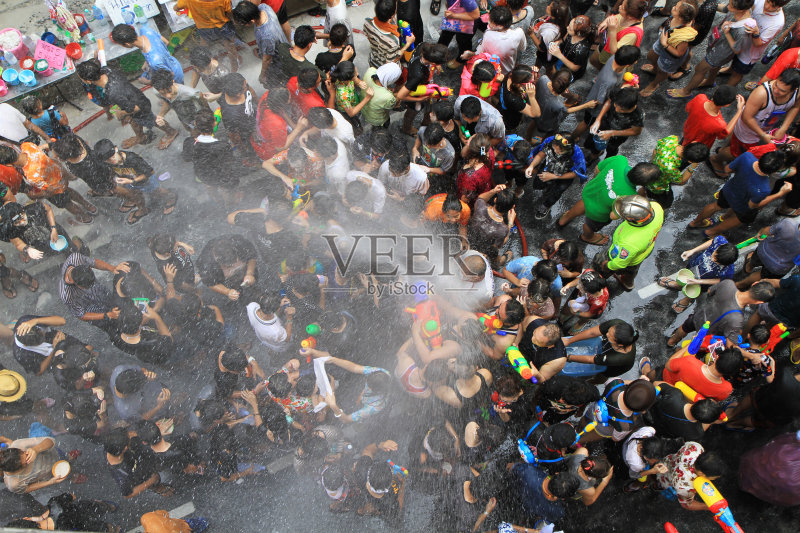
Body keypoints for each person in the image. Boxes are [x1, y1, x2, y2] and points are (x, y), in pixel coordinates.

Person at [710, 68, 800, 175]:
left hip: (766, 128)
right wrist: (762, 134)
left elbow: (795, 107)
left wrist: (784, 128)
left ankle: (725, 149)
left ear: (793, 90)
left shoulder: (797, 93)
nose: (776, 90)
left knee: (736, 146)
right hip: (748, 130)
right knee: (737, 152)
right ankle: (716, 159)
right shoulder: (761, 93)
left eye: (782, 91)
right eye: (776, 85)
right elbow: (746, 117)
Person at [666, 0, 757, 99]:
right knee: (715, 66)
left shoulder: (743, 30)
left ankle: (686, 91)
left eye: (731, 5)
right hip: (717, 43)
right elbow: (724, 8)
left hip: (721, 52)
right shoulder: (739, 10)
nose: (728, 6)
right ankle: (710, 81)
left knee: (700, 69)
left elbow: (737, 49)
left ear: (740, 10)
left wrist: (727, 33)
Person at [76, 61, 176, 150]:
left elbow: (135, 108)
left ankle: (171, 132)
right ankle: (140, 136)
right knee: (134, 120)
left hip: (140, 106)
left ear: (88, 81)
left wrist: (121, 113)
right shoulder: (107, 70)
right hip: (132, 95)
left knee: (151, 120)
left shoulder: (113, 92)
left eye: (81, 78)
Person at [557, 160, 659, 247]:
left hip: (591, 192)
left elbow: (597, 168)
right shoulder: (630, 197)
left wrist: (601, 183)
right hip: (599, 213)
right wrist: (640, 195)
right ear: (643, 184)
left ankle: (565, 218)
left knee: (584, 203)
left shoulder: (619, 160)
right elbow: (613, 215)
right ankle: (587, 236)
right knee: (590, 224)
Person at [690, 151, 791, 237]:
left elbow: (727, 169)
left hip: (729, 190)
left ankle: (695, 222)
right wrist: (779, 193)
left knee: (716, 206)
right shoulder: (764, 188)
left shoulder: (747, 157)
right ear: (774, 171)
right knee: (738, 219)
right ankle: (710, 232)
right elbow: (752, 205)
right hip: (742, 205)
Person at [0, 143, 95, 224]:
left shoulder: (31, 175)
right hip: (58, 174)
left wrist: (34, 196)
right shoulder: (27, 146)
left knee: (67, 204)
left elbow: (49, 191)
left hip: (55, 189)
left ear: (9, 165)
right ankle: (89, 206)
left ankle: (85, 217)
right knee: (70, 192)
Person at [94, 139, 178, 222]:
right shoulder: (107, 162)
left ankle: (171, 196)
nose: (112, 160)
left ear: (116, 149)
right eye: (108, 160)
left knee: (157, 191)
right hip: (129, 181)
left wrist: (132, 181)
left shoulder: (132, 159)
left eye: (112, 156)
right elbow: (111, 169)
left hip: (145, 181)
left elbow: (150, 172)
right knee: (136, 196)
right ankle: (142, 209)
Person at [723, 0, 789, 88]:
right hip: (739, 41)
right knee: (734, 62)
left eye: (773, 6)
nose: (767, 7)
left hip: (749, 53)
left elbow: (759, 43)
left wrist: (756, 33)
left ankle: (726, 91)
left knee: (737, 73)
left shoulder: (777, 23)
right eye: (768, 1)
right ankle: (729, 70)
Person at [638, 0, 697, 98]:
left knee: (663, 71)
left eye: (676, 8)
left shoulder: (683, 37)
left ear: (680, 17)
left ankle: (654, 84)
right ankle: (654, 69)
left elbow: (679, 53)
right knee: (651, 56)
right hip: (662, 43)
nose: (673, 6)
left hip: (670, 55)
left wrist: (665, 44)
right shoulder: (675, 18)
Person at [524, 133, 586, 219]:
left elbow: (575, 173)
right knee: (537, 184)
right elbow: (541, 154)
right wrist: (531, 166)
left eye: (560, 151)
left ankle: (546, 205)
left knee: (557, 192)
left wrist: (554, 176)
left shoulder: (577, 154)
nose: (556, 152)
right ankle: (548, 187)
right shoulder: (550, 141)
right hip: (550, 167)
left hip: (565, 175)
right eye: (554, 149)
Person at [231, 0, 287, 87]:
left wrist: (263, 75)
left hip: (277, 59)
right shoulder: (264, 7)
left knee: (271, 81)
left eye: (243, 23)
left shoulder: (266, 36)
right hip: (281, 44)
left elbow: (267, 59)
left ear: (252, 21)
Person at [655, 443, 728, 510]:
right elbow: (687, 505)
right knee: (661, 487)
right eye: (715, 478)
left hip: (665, 462)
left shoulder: (696, 448)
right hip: (663, 478)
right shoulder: (686, 487)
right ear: (701, 473)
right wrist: (709, 506)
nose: (715, 479)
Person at [174, 0, 241, 72]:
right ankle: (234, 69)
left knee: (204, 49)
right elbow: (229, 13)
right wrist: (234, 22)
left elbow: (176, 8)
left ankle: (208, 69)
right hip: (223, 26)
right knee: (230, 48)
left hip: (204, 28)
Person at [643, 138, 709, 208]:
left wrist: (653, 163)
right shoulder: (670, 168)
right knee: (666, 203)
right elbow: (681, 180)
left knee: (645, 187)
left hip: (648, 170)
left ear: (693, 142)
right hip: (657, 185)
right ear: (690, 161)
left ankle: (643, 191)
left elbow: (655, 151)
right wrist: (692, 167)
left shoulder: (671, 140)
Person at [110, 23, 184, 85]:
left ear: (127, 44)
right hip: (174, 64)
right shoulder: (145, 30)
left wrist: (147, 82)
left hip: (174, 77)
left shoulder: (155, 62)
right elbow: (166, 42)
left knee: (178, 95)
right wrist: (147, 61)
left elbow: (169, 78)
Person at [737, 219, 800, 288]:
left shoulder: (788, 223)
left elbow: (768, 230)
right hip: (779, 267)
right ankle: (741, 284)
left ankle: (748, 268)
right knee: (761, 275)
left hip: (763, 251)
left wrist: (761, 232)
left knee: (754, 260)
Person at [649, 382, 724, 440]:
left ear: (697, 401)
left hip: (652, 413)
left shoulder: (675, 395)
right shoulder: (696, 433)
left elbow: (656, 383)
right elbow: (707, 424)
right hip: (662, 431)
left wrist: (673, 388)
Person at [563, 319, 637, 378]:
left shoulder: (619, 358)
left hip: (614, 367)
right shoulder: (616, 324)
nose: (606, 334)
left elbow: (590, 360)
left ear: (619, 344)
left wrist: (568, 357)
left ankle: (593, 381)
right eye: (608, 331)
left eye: (609, 336)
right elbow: (592, 333)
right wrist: (569, 341)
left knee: (601, 375)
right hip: (609, 352)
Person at [0, 435, 69, 494]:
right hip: (53, 475)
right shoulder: (14, 483)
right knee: (68, 475)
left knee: (67, 457)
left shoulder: (19, 445)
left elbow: (50, 441)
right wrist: (49, 482)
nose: (29, 459)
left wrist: (36, 449)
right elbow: (26, 489)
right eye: (25, 463)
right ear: (16, 470)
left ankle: (69, 457)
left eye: (25, 453)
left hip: (54, 454)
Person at [590, 0, 646, 69]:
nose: (619, 6)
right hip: (606, 45)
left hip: (614, 57)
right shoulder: (630, 15)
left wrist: (613, 31)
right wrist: (606, 21)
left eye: (622, 7)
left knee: (605, 67)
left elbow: (616, 51)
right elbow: (617, 16)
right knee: (594, 60)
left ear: (629, 17)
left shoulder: (632, 34)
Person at [151, 69, 209, 134]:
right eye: (163, 93)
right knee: (189, 129)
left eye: (169, 91)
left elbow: (202, 99)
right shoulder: (157, 91)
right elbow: (167, 102)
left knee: (201, 132)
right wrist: (160, 116)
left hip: (197, 115)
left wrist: (208, 115)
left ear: (173, 82)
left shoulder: (190, 93)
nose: (168, 96)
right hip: (183, 117)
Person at [473, 6, 526, 74]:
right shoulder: (519, 32)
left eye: (490, 21)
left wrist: (471, 54)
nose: (488, 21)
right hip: (508, 68)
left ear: (500, 26)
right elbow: (523, 48)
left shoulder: (488, 35)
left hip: (493, 69)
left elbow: (479, 52)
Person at [363, 0, 414, 68]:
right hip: (383, 68)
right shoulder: (393, 40)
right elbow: (392, 61)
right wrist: (408, 44)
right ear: (392, 16)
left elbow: (370, 38)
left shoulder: (367, 22)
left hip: (373, 60)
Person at [362, 63, 401, 129]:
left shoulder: (370, 70)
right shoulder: (388, 97)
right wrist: (398, 97)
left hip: (364, 109)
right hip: (377, 120)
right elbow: (392, 106)